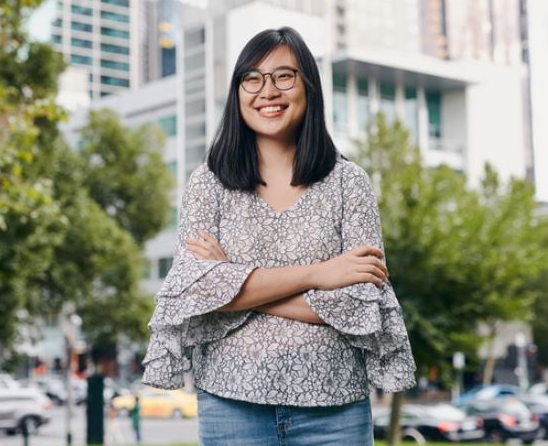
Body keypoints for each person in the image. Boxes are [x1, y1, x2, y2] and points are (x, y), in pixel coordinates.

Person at [142, 27, 416, 445]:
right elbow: (196, 296)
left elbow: (361, 306)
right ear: (238, 92)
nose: (267, 90)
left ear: (308, 86)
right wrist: (322, 274)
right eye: (252, 78)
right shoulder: (207, 185)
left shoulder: (349, 184)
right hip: (231, 402)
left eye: (284, 76)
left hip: (335, 407)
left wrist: (234, 284)